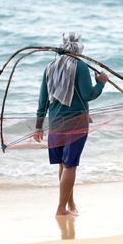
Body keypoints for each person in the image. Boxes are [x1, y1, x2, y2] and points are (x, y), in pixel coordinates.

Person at [33, 32, 108, 216]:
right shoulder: (80, 66)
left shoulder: (50, 67)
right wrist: (101, 83)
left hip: (55, 122)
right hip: (77, 122)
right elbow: (88, 95)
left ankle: (70, 204)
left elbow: (43, 100)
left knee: (63, 165)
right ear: (78, 47)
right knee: (70, 165)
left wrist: (38, 125)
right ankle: (60, 209)